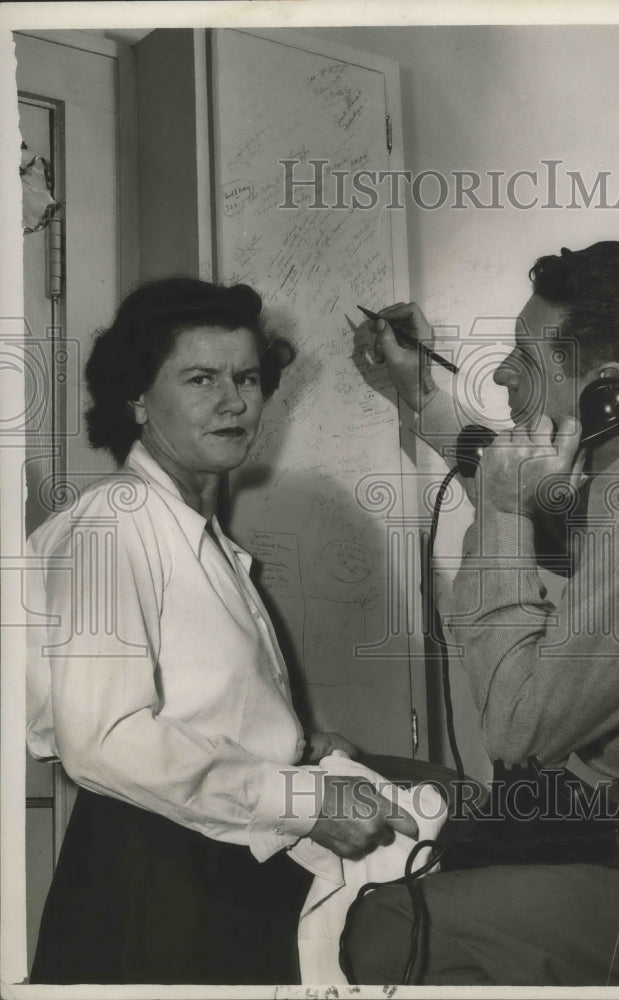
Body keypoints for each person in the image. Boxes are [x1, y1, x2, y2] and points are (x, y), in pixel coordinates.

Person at [346, 242, 619, 986]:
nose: (501, 374)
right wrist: (415, 393)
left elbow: (517, 729)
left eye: (524, 361)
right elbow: (553, 514)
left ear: (608, 393)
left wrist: (501, 511)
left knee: (390, 928)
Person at [25, 277, 417, 985]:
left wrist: (298, 743)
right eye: (200, 378)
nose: (234, 401)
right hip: (154, 886)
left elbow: (200, 701)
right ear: (138, 398)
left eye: (247, 378)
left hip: (217, 864)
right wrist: (302, 798)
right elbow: (103, 741)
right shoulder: (116, 525)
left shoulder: (191, 532)